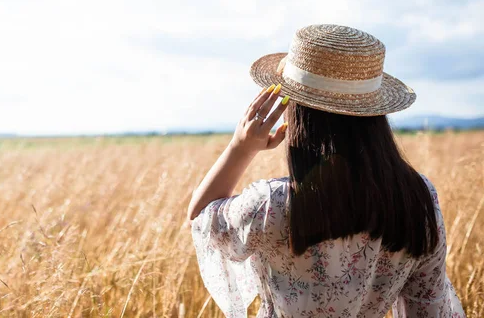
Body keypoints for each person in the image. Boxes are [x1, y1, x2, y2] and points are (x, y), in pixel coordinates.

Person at [187, 24, 465, 318]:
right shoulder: (418, 198)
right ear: (374, 115)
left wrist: (240, 148)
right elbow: (428, 305)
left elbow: (201, 220)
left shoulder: (271, 205)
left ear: (295, 110)